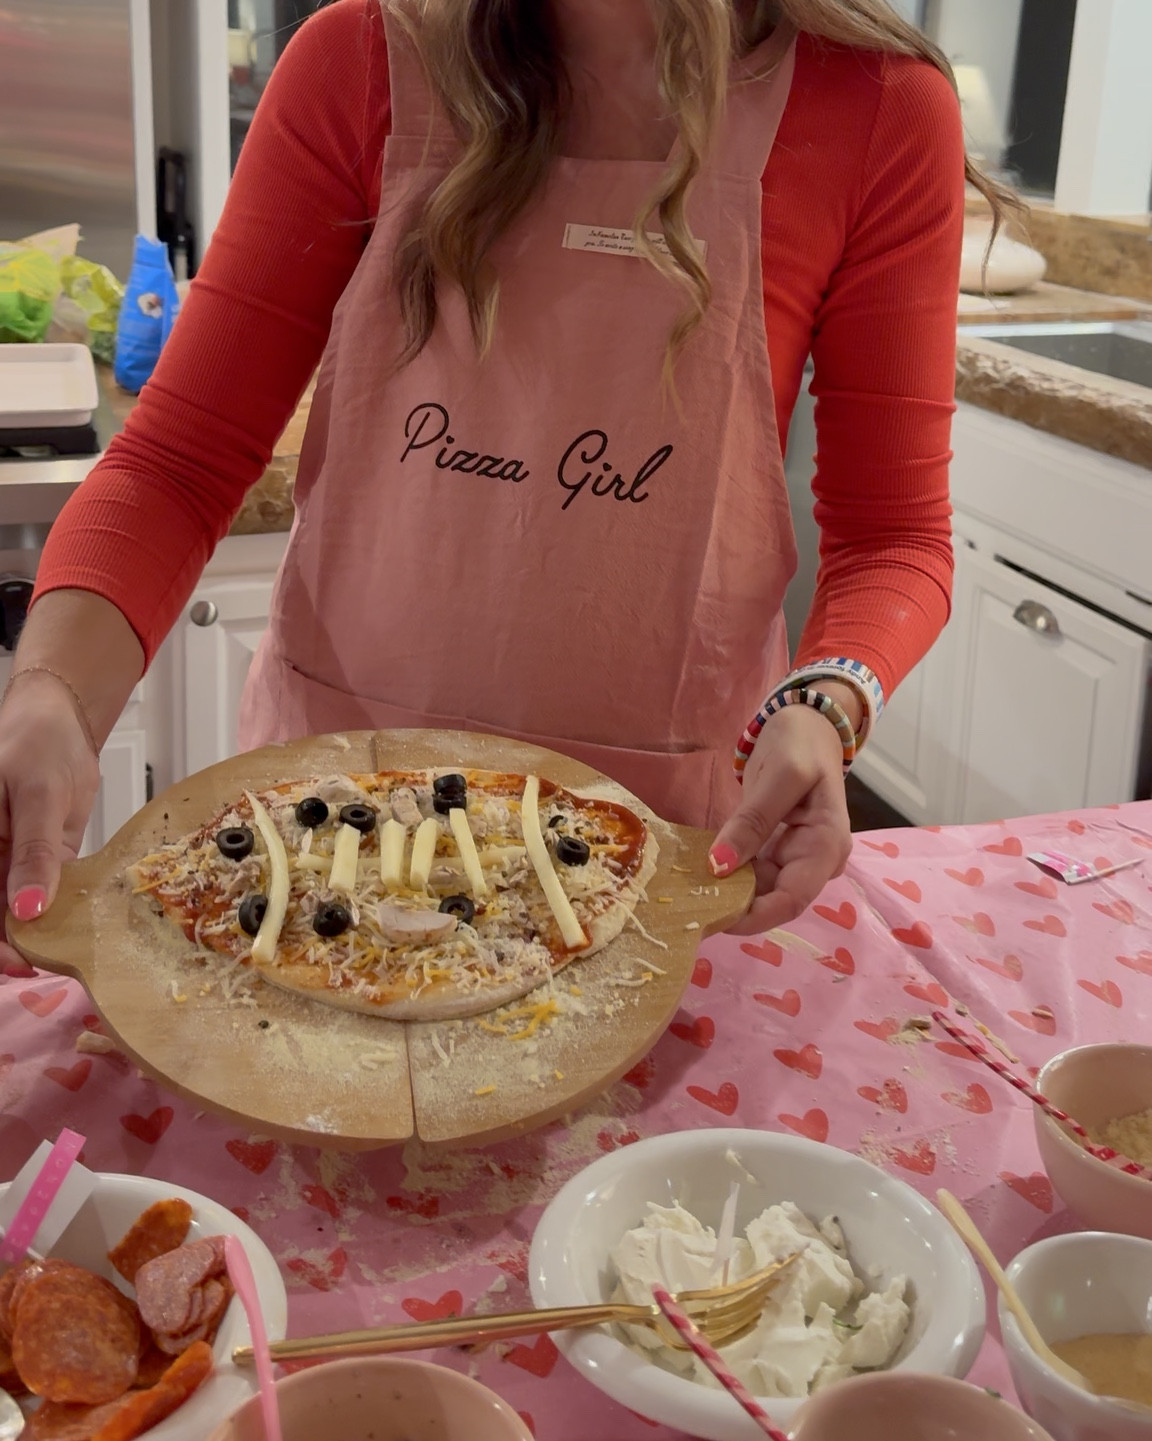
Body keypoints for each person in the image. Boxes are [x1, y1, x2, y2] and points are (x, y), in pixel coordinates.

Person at [0, 0, 1013, 977]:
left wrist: (827, 703)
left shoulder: (877, 106)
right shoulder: (358, 64)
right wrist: (50, 695)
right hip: (335, 830)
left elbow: (894, 539)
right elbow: (178, 462)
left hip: (658, 857)